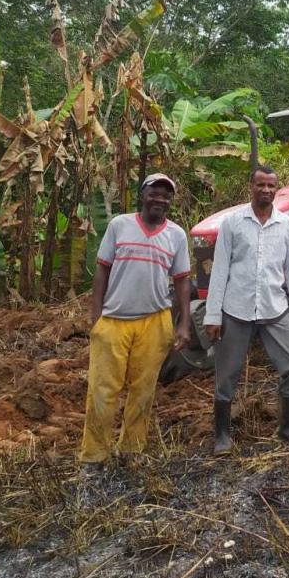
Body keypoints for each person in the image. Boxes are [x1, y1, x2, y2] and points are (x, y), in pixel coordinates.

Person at [80, 173, 192, 468]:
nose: (160, 199)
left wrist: (182, 325)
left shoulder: (177, 235)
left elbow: (182, 281)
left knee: (143, 391)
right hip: (114, 320)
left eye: (166, 195)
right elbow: (102, 269)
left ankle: (131, 450)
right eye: (154, 193)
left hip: (155, 323)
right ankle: (95, 455)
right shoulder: (120, 225)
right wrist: (96, 315)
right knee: (103, 390)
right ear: (143, 195)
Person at [203, 165, 289, 454]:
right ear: (251, 187)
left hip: (275, 309)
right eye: (260, 185)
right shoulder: (233, 223)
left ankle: (287, 427)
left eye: (271, 185)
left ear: (277, 188)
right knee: (227, 373)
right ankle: (222, 436)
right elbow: (220, 270)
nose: (265, 190)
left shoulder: (287, 226)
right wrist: (213, 315)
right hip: (236, 310)